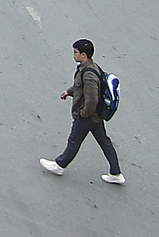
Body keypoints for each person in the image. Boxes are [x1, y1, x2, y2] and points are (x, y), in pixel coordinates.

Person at [39, 39, 123, 183]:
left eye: (76, 52)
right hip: (96, 117)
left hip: (88, 116)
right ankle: (116, 174)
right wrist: (69, 92)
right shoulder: (90, 67)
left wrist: (82, 114)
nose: (74, 55)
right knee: (104, 142)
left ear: (84, 55)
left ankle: (59, 165)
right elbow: (80, 87)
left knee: (74, 141)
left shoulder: (88, 74)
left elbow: (91, 99)